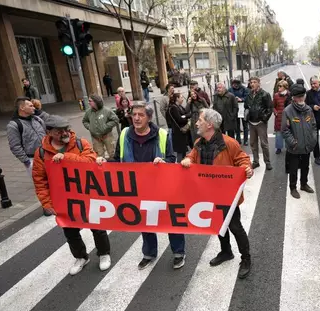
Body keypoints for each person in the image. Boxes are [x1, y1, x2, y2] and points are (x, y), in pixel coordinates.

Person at [96, 102, 186, 270]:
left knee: (169, 219)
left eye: (141, 115)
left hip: (161, 187)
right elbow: (117, 159)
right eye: (134, 114)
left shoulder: (162, 134)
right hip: (137, 189)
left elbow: (172, 159)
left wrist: (163, 162)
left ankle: (178, 252)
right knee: (145, 221)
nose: (136, 118)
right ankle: (149, 253)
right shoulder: (124, 134)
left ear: (149, 117)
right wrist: (104, 162)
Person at [32, 115, 111, 275]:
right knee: (70, 231)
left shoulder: (81, 144)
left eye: (67, 129)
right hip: (64, 200)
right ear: (49, 132)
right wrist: (47, 204)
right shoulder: (41, 153)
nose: (65, 133)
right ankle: (81, 257)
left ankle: (104, 253)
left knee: (97, 227)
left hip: (87, 194)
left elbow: (91, 162)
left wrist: (66, 157)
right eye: (59, 131)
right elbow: (40, 180)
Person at [181, 109, 253, 279]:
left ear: (209, 125)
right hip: (209, 194)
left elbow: (243, 159)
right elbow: (191, 157)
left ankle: (246, 258)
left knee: (235, 226)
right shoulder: (199, 143)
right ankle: (226, 251)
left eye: (200, 120)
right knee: (219, 225)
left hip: (228, 195)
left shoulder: (228, 143)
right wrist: (188, 160)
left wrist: (247, 169)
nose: (196, 123)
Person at [282, 84, 318, 199]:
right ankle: (293, 187)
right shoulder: (288, 111)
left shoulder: (308, 109)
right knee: (293, 169)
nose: (301, 99)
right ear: (293, 98)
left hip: (307, 145)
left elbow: (313, 126)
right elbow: (285, 130)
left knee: (305, 166)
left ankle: (304, 184)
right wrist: (293, 143)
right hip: (294, 147)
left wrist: (313, 139)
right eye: (298, 97)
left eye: (302, 96)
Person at [7, 97, 46, 176]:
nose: (34, 108)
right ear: (22, 107)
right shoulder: (14, 125)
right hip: (33, 159)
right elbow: (15, 146)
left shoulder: (37, 119)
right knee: (41, 185)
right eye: (31, 106)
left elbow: (47, 134)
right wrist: (27, 162)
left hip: (47, 156)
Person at [245, 76, 273, 170]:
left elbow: (269, 109)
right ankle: (256, 161)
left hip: (261, 123)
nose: (252, 84)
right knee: (253, 143)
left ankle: (267, 162)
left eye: (254, 82)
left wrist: (264, 119)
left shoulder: (265, 94)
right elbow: (246, 106)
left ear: (258, 83)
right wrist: (246, 115)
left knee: (264, 144)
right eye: (251, 82)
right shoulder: (249, 94)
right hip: (251, 122)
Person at [82, 94, 119, 159]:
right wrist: (90, 127)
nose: (88, 102)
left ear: (96, 102)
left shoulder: (107, 110)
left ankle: (113, 167)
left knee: (112, 154)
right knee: (99, 156)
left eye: (90, 101)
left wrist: (106, 126)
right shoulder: (88, 112)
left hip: (107, 136)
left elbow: (115, 120)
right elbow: (84, 121)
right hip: (95, 138)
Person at [166, 92, 191, 161]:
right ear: (177, 99)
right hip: (178, 132)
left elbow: (186, 112)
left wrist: (185, 116)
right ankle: (179, 165)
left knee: (183, 150)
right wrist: (186, 117)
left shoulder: (179, 106)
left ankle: (182, 163)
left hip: (182, 132)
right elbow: (180, 119)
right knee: (180, 151)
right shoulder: (174, 107)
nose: (182, 99)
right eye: (181, 97)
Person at [272, 80, 291, 155]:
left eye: (280, 86)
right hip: (278, 117)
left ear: (285, 87)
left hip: (287, 117)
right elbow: (273, 106)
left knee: (288, 132)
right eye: (278, 86)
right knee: (278, 133)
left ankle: (288, 147)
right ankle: (279, 148)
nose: (278, 87)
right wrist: (275, 112)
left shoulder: (290, 95)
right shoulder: (276, 95)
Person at [229, 79, 249, 145]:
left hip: (243, 108)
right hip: (235, 109)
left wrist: (241, 99)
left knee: (245, 125)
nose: (235, 86)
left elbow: (247, 97)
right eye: (233, 84)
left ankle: (246, 140)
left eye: (236, 84)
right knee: (236, 126)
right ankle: (238, 140)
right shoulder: (230, 89)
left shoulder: (244, 89)